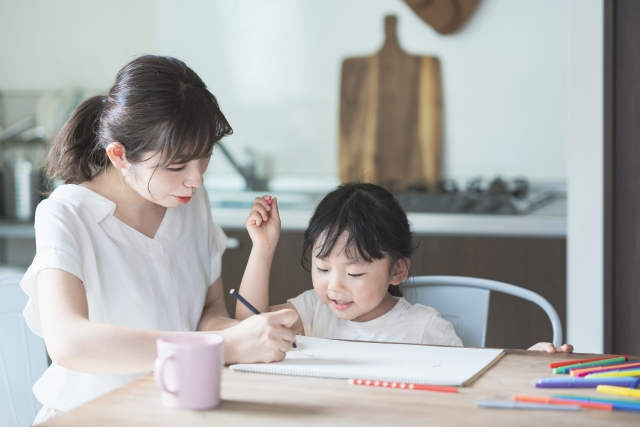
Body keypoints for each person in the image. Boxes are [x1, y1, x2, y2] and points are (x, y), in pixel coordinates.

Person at [21, 55, 297, 425]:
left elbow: (208, 314)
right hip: (90, 415)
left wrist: (252, 334)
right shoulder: (66, 214)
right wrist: (222, 347)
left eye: (205, 158)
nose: (196, 179)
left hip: (175, 410)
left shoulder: (190, 200)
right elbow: (69, 342)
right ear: (119, 155)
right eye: (177, 166)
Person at [236, 182, 574, 353]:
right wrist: (263, 248)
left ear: (397, 271)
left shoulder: (425, 329)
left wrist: (523, 363)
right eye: (322, 268)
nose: (334, 287)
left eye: (354, 273)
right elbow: (245, 329)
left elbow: (470, 387)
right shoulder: (312, 310)